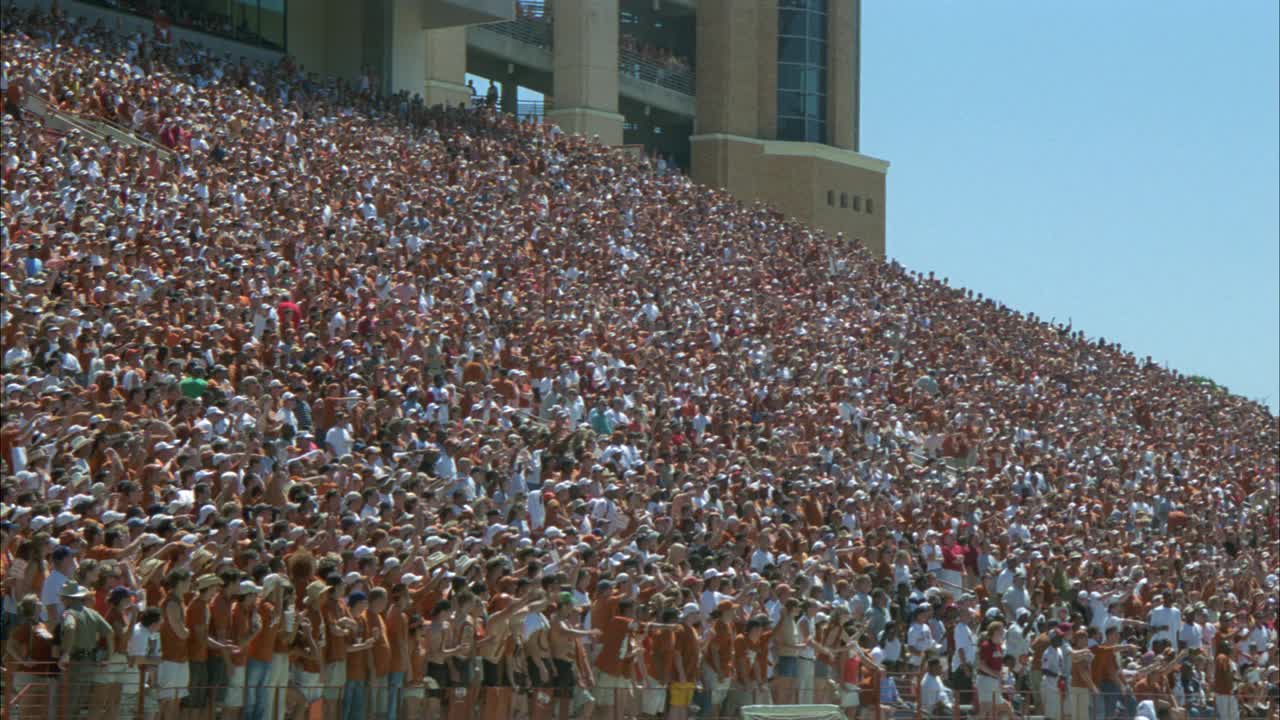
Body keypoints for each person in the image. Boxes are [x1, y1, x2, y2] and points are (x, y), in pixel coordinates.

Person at [58, 580, 115, 719]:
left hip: (75, 663)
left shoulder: (69, 613)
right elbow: (109, 632)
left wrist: (65, 654)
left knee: (68, 703)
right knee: (80, 701)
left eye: (62, 597)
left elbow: (70, 627)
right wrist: (109, 656)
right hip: (89, 663)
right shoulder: (92, 613)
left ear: (68, 598)